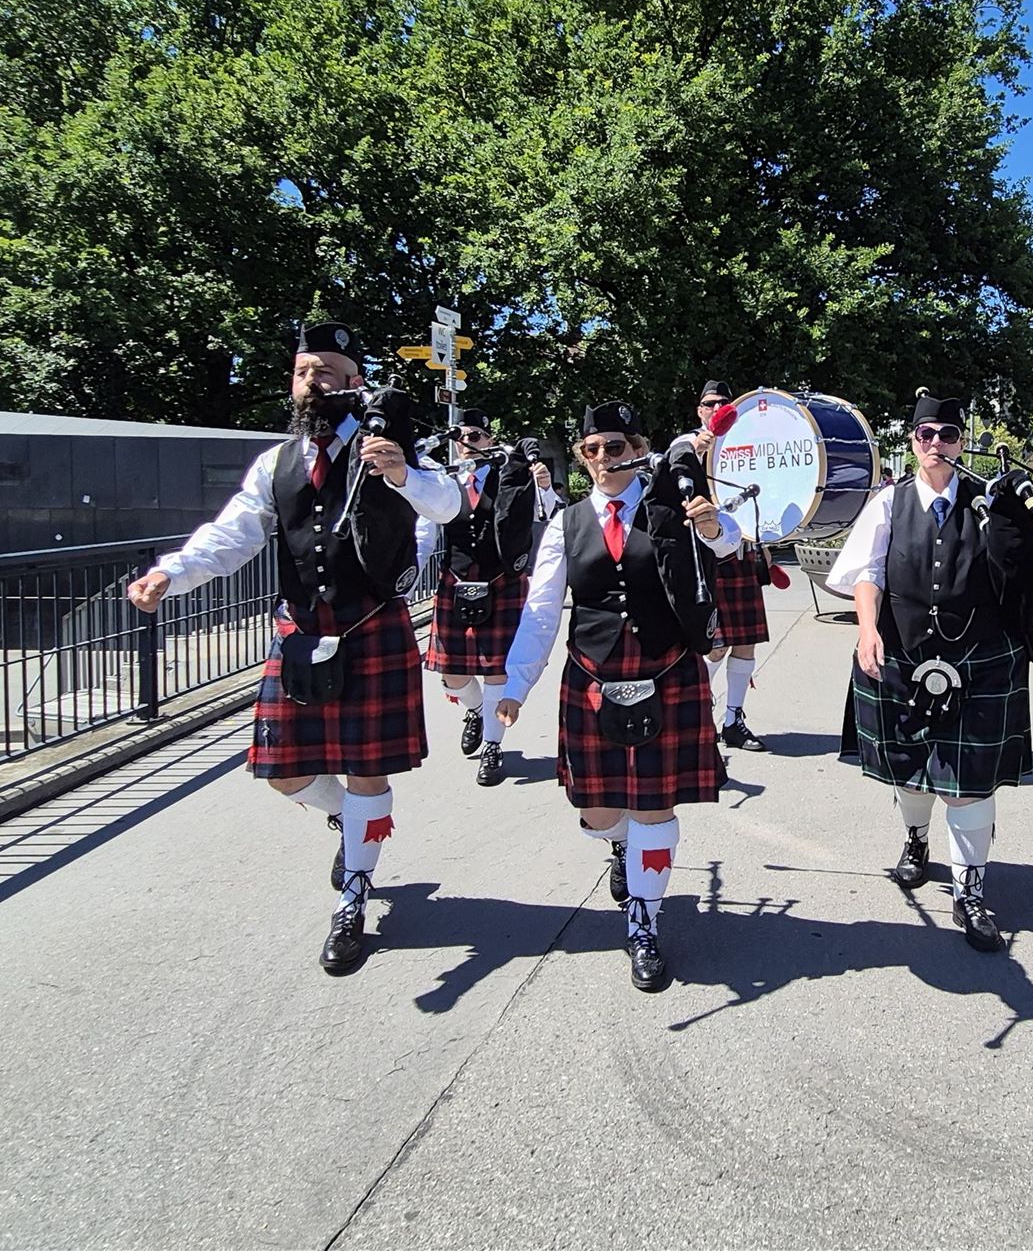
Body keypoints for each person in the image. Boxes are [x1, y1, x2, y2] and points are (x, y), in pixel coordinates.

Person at [126, 323, 461, 975]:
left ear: (355, 382)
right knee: (282, 772)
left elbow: (446, 505)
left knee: (368, 772)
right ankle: (350, 820)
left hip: (370, 627)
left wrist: (400, 473)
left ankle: (354, 894)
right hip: (300, 633)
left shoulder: (390, 446)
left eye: (327, 371)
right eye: (305, 371)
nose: (314, 382)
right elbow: (231, 535)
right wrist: (171, 572)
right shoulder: (275, 464)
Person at [496, 402, 742, 992]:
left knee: (655, 807)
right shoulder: (566, 524)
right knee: (598, 812)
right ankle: (620, 847)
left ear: (637, 450)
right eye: (592, 449)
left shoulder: (673, 505)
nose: (603, 458)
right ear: (583, 457)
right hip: (593, 677)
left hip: (666, 670)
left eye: (615, 446)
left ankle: (644, 923)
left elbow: (727, 542)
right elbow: (540, 611)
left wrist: (712, 527)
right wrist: (515, 685)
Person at [826, 391, 1033, 953]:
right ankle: (917, 839)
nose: (937, 444)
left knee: (969, 784)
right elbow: (868, 573)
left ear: (961, 442)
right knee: (908, 770)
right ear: (913, 441)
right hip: (903, 653)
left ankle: (970, 892)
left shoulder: (989, 502)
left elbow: (1024, 568)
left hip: (978, 657)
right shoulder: (889, 502)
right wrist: (867, 629)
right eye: (926, 435)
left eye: (948, 435)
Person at [418, 410, 541, 788]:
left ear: (489, 439)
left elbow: (537, 512)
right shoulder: (444, 480)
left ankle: (492, 745)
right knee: (452, 675)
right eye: (461, 437)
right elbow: (425, 531)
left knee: (496, 672)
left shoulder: (508, 474)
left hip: (500, 581)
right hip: (456, 582)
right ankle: (475, 711)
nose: (466, 442)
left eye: (475, 436)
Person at [670, 379, 771, 752]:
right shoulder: (686, 443)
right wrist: (698, 449)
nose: (717, 408)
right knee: (715, 646)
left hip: (742, 551)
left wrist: (765, 539)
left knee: (745, 643)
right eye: (710, 403)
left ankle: (733, 721)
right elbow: (673, 480)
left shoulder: (747, 444)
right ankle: (697, 709)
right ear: (700, 409)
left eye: (724, 402)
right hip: (706, 555)